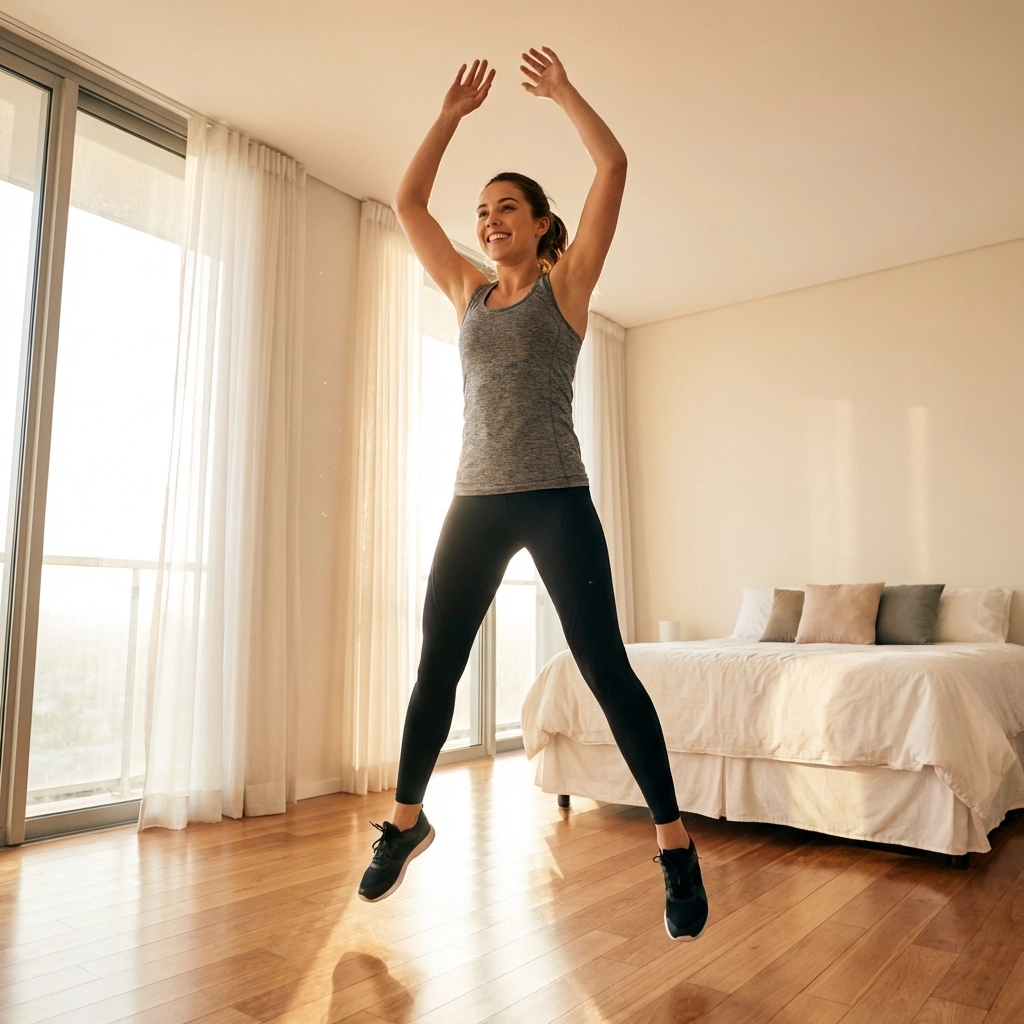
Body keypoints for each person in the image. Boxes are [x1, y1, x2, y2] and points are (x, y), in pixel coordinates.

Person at [357, 47, 708, 941]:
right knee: (438, 661)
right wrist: (447, 118)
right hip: (474, 499)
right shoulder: (467, 292)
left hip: (556, 496)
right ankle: (406, 822)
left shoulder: (569, 285)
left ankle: (673, 848)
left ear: (543, 224)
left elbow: (614, 165)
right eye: (482, 212)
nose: (488, 220)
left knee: (605, 668)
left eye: (506, 206)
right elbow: (406, 204)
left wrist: (562, 94)